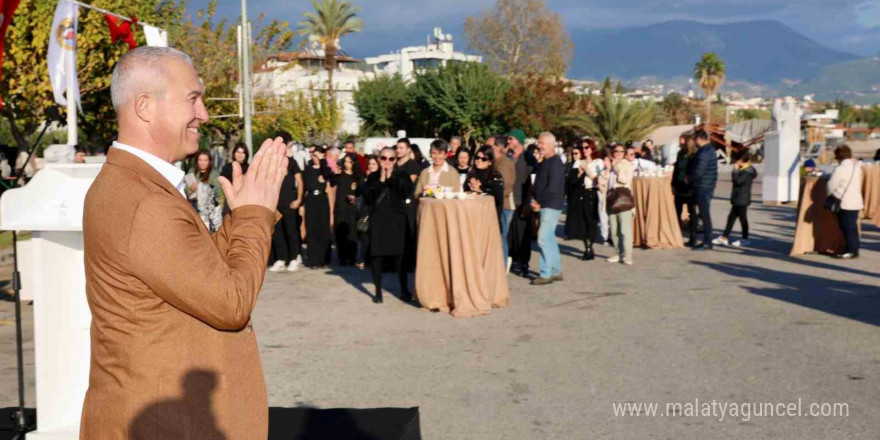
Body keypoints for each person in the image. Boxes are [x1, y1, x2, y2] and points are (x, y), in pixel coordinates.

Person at [81, 46, 288, 439]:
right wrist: (254, 216)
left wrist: (239, 218)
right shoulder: (144, 200)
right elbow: (231, 303)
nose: (205, 114)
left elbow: (198, 271)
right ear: (145, 106)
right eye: (193, 98)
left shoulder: (134, 185)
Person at [364, 147, 414, 303]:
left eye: (391, 159)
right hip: (379, 221)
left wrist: (391, 178)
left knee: (400, 258)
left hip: (397, 222)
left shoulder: (402, 175)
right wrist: (381, 181)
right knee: (377, 256)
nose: (387, 162)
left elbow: (407, 191)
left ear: (395, 160)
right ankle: (378, 292)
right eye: (384, 158)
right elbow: (368, 198)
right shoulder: (373, 177)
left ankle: (404, 290)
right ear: (379, 160)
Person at [529, 132, 565, 285]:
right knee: (549, 238)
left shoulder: (556, 163)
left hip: (551, 204)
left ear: (551, 144)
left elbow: (553, 188)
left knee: (543, 238)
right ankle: (556, 271)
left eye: (542, 143)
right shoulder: (544, 162)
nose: (539, 145)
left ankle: (546, 273)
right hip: (544, 203)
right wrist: (535, 200)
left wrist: (540, 203)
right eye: (539, 142)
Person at [269, 132, 304, 272]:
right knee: (277, 233)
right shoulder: (271, 163)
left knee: (291, 232)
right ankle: (281, 259)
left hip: (290, 204)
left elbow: (300, 182)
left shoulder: (292, 162)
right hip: (275, 204)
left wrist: (299, 200)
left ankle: (294, 258)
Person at [714, 151, 757, 247]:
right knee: (731, 218)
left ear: (741, 160)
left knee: (743, 219)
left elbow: (737, 181)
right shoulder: (745, 170)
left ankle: (745, 239)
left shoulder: (747, 171)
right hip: (738, 198)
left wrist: (735, 171)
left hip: (742, 199)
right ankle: (724, 237)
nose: (736, 162)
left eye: (737, 160)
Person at [827, 145, 863, 259]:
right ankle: (854, 249)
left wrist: (828, 195)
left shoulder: (840, 169)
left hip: (844, 202)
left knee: (847, 227)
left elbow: (830, 185)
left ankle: (850, 251)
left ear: (838, 156)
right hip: (856, 201)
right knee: (852, 227)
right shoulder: (857, 167)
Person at [507, 129, 535, 277]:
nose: (509, 141)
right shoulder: (509, 156)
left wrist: (529, 201)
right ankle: (512, 259)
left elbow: (533, 180)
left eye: (511, 139)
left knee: (522, 233)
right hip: (509, 200)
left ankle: (524, 263)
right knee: (510, 233)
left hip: (522, 200)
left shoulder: (528, 157)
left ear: (518, 140)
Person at [565, 145, 600, 260]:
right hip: (581, 194)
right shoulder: (578, 163)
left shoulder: (597, 162)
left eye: (587, 147)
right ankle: (587, 248)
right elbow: (571, 181)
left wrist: (587, 170)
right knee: (583, 221)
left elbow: (597, 180)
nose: (584, 150)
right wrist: (579, 174)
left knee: (591, 221)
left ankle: (590, 246)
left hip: (592, 193)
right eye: (583, 148)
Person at [602, 144, 635, 265]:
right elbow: (602, 182)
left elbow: (625, 180)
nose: (619, 153)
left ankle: (628, 255)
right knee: (614, 230)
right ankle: (618, 253)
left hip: (623, 199)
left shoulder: (626, 165)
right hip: (611, 199)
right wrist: (607, 169)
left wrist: (615, 167)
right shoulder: (609, 165)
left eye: (621, 151)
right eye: (616, 151)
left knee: (625, 230)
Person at [303, 145, 333, 268]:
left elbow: (328, 175)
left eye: (317, 155)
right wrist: (301, 205)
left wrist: (322, 161)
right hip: (310, 200)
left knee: (323, 230)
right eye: (313, 154)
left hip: (322, 199)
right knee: (312, 230)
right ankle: (313, 260)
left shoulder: (325, 169)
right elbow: (304, 188)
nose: (314, 157)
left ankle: (323, 259)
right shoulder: (307, 170)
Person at [687, 130, 718, 249]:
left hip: (703, 187)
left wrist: (689, 179)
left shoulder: (704, 152)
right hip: (707, 186)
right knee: (704, 214)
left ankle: (707, 241)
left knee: (704, 214)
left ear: (699, 139)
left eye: (695, 139)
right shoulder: (709, 150)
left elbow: (699, 171)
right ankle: (706, 239)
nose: (694, 142)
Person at [394, 138, 421, 272]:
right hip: (394, 205)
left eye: (401, 148)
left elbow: (408, 186)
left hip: (408, 206)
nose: (398, 150)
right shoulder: (393, 164)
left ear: (408, 149)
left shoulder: (412, 166)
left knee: (408, 234)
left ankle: (409, 263)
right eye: (397, 148)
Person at [185, 150, 224, 232]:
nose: (202, 163)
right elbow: (186, 191)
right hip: (194, 209)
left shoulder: (214, 173)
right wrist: (191, 189)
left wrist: (201, 187)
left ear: (209, 161)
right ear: (197, 161)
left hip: (210, 211)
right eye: (200, 160)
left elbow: (218, 192)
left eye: (205, 160)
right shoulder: (191, 172)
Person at [333, 154, 361, 265]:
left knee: (352, 233)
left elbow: (360, 192)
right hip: (340, 208)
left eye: (349, 162)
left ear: (353, 163)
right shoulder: (340, 175)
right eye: (345, 161)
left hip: (352, 209)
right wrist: (334, 174)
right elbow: (331, 184)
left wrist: (355, 198)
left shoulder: (357, 176)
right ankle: (342, 258)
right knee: (340, 233)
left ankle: (352, 257)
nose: (346, 164)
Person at [491, 136, 516, 265]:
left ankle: (503, 265)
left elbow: (507, 186)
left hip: (504, 206)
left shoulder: (505, 163)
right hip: (498, 204)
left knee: (502, 237)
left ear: (498, 147)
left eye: (493, 146)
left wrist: (494, 196)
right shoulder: (496, 162)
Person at [672, 135, 698, 246]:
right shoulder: (680, 154)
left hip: (690, 188)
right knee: (677, 211)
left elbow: (695, 170)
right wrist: (673, 184)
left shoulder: (694, 155)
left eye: (682, 143)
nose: (679, 144)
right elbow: (676, 169)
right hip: (679, 187)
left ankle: (693, 237)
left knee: (692, 212)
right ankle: (678, 236)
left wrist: (690, 179)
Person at [465, 145, 505, 218]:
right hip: (472, 214)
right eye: (477, 157)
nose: (479, 160)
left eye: (483, 159)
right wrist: (471, 190)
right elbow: (465, 191)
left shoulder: (495, 176)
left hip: (489, 216)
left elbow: (498, 199)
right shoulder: (471, 174)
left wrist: (480, 190)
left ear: (490, 162)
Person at [356, 155, 380, 269]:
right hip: (365, 208)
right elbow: (359, 191)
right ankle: (364, 258)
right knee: (364, 234)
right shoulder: (364, 178)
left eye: (374, 164)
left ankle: (374, 259)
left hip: (377, 209)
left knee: (375, 235)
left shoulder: (381, 177)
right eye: (370, 164)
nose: (371, 166)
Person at [221, 142, 250, 214]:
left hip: (245, 200)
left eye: (243, 152)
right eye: (238, 152)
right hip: (230, 199)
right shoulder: (227, 168)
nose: (240, 155)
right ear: (234, 153)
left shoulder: (250, 168)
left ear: (246, 155)